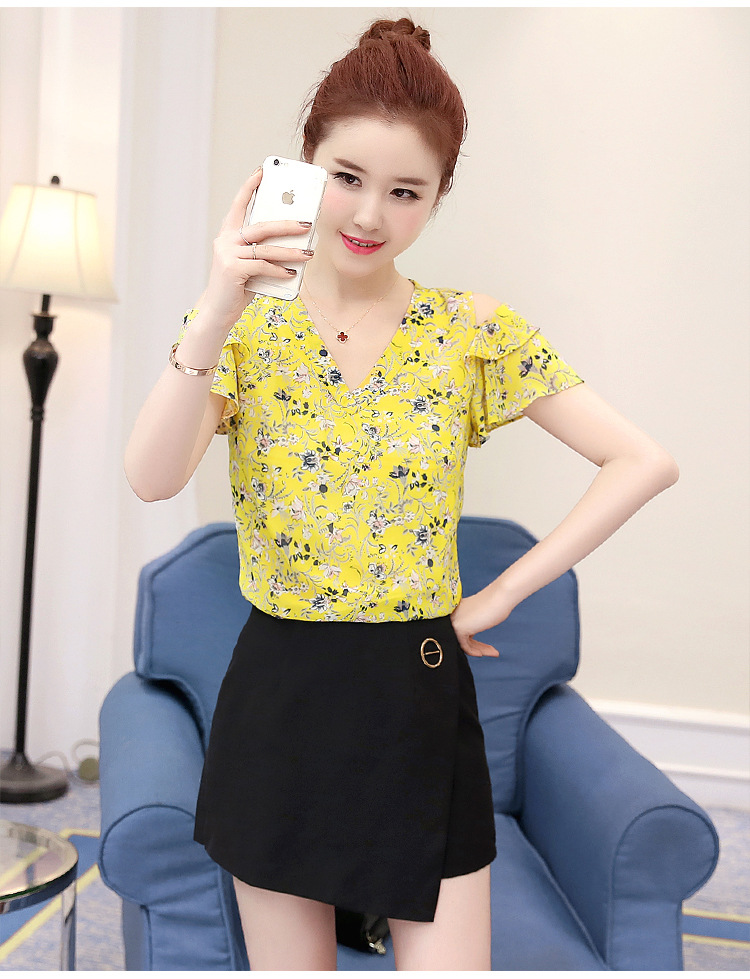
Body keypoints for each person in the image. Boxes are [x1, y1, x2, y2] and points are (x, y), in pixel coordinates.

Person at [124, 17, 679, 972]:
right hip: (280, 701)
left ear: (437, 198)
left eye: (405, 191)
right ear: (302, 167)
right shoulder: (243, 331)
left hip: (416, 699)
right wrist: (218, 302)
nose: (370, 214)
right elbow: (151, 476)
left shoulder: (472, 331)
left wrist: (500, 594)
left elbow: (642, 460)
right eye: (347, 176)